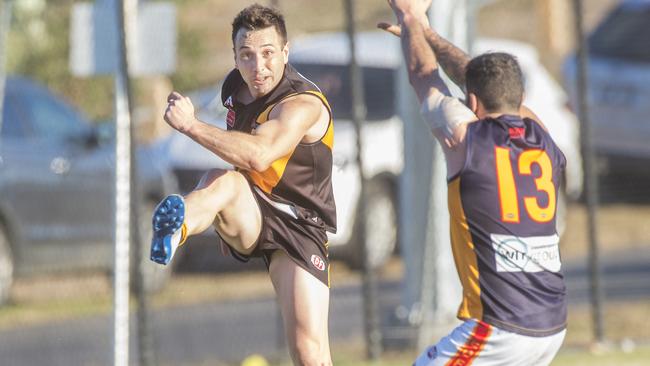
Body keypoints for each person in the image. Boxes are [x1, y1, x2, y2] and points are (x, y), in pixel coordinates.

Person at [380, 0, 567, 365]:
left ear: (473, 100)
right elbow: (476, 77)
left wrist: (410, 17)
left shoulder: (467, 138)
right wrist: (426, 33)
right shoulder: (545, 138)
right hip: (552, 322)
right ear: (522, 97)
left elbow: (423, 75)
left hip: (501, 326)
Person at [149, 4, 335, 365]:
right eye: (246, 56)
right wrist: (222, 215)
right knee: (223, 183)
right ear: (234, 56)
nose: (258, 67)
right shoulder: (236, 90)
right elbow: (242, 161)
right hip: (255, 208)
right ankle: (178, 227)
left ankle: (195, 215)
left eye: (268, 54)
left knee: (309, 351)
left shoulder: (302, 103)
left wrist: (191, 125)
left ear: (285, 51)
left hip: (300, 227)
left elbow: (259, 155)